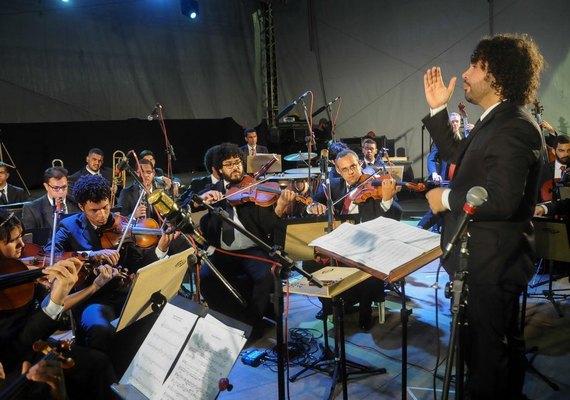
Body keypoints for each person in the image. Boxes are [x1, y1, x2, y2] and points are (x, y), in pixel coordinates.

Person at [422, 33, 544, 399]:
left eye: (476, 66)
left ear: (498, 76)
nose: (467, 73)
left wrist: (444, 197)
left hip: (492, 264)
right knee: (495, 350)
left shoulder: (515, 126)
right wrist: (437, 110)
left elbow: (503, 199)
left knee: (489, 358)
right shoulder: (498, 120)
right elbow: (461, 153)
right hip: (488, 262)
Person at [45, 174, 176, 352]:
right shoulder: (68, 227)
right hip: (92, 298)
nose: (102, 215)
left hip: (125, 293)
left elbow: (141, 263)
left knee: (160, 318)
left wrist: (160, 249)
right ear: (82, 207)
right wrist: (91, 254)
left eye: (106, 207)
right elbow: (50, 254)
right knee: (102, 331)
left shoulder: (122, 225)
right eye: (94, 210)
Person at [0, 209, 118, 399]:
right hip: (14, 363)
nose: (22, 244)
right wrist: (57, 296)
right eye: (13, 241)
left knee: (98, 361)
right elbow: (20, 341)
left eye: (21, 237)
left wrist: (93, 287)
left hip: (37, 344)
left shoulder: (19, 271)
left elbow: (49, 310)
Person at [198, 143, 295, 338]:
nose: (235, 167)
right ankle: (228, 322)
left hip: (252, 249)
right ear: (218, 170)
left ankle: (251, 326)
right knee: (206, 277)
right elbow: (187, 208)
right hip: (223, 251)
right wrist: (202, 201)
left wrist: (279, 208)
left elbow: (266, 227)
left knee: (266, 275)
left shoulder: (253, 188)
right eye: (228, 164)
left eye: (237, 163)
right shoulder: (210, 190)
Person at [306, 148, 402, 329]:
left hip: (369, 243)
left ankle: (365, 309)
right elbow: (312, 200)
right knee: (310, 263)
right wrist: (313, 206)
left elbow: (396, 215)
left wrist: (387, 200)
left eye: (353, 166)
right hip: (339, 243)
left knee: (365, 264)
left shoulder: (376, 184)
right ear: (338, 170)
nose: (350, 172)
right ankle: (329, 304)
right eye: (345, 169)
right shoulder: (333, 186)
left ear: (360, 164)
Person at [417, 112, 466, 231]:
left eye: (456, 121)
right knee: (438, 207)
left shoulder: (466, 139)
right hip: (446, 180)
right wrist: (433, 173)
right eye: (452, 122)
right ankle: (420, 228)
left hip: (462, 182)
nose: (454, 124)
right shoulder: (442, 141)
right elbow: (431, 158)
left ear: (460, 124)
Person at [21, 167, 80, 233]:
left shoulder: (77, 203)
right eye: (56, 188)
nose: (61, 192)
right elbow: (29, 239)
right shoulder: (31, 209)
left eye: (64, 187)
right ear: (46, 186)